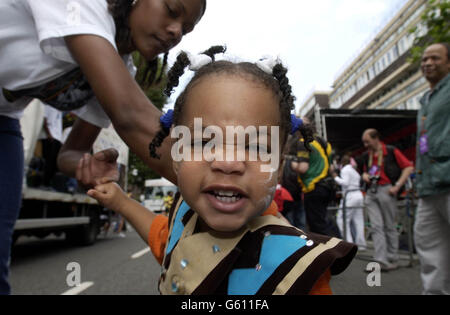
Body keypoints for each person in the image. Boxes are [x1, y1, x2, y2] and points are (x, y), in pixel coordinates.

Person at [86, 47, 357, 295]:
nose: (228, 163)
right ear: (177, 154)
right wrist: (120, 201)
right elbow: (166, 240)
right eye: (204, 142)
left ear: (279, 161)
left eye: (256, 147)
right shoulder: (185, 219)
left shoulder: (299, 269)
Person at [0, 0, 207, 295]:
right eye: (172, 11)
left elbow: (69, 155)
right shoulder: (84, 4)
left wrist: (89, 164)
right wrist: (230, 172)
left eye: (186, 29)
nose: (176, 31)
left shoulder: (120, 65)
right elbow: (131, 116)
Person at [414, 42, 450, 295]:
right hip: (428, 187)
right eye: (425, 59)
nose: (427, 63)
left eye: (435, 58)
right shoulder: (425, 98)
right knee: (429, 250)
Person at [358, 129, 414, 271]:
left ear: (376, 138)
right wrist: (364, 175)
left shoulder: (390, 151)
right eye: (364, 142)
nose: (365, 145)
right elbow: (365, 170)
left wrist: (397, 186)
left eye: (367, 141)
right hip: (372, 191)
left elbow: (408, 167)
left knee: (389, 225)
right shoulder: (367, 156)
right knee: (376, 227)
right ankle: (380, 260)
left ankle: (392, 258)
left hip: (387, 190)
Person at [290, 127, 342, 238]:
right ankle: (340, 246)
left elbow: (303, 168)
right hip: (328, 186)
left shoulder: (304, 142)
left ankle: (330, 252)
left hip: (314, 186)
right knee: (326, 220)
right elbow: (332, 168)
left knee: (317, 225)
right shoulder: (323, 143)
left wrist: (292, 164)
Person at [331, 154, 366, 250]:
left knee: (342, 220)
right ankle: (361, 244)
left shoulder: (345, 170)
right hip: (358, 195)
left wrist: (335, 177)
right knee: (358, 221)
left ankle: (348, 244)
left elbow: (345, 182)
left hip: (350, 196)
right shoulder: (354, 171)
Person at [39, 105, 63, 187]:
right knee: (49, 161)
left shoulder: (59, 108)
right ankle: (44, 183)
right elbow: (44, 119)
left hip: (57, 137)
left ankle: (48, 182)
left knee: (54, 162)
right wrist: (49, 134)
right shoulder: (48, 105)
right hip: (50, 136)